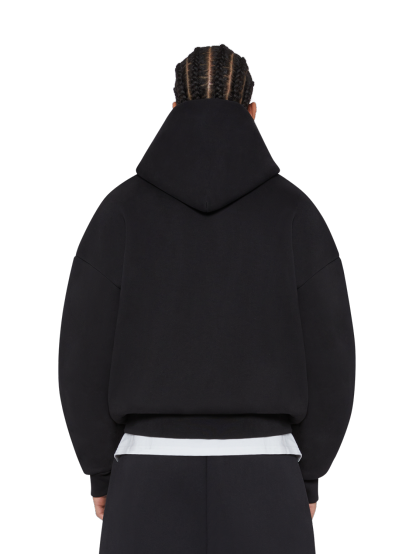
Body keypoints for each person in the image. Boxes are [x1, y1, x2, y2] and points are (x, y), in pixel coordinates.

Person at [59, 43, 355, 554]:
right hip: (268, 479)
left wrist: (100, 472)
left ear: (174, 107)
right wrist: (309, 477)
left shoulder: (119, 212)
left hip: (145, 477)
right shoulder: (295, 214)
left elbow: (82, 352)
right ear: (253, 111)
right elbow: (333, 356)